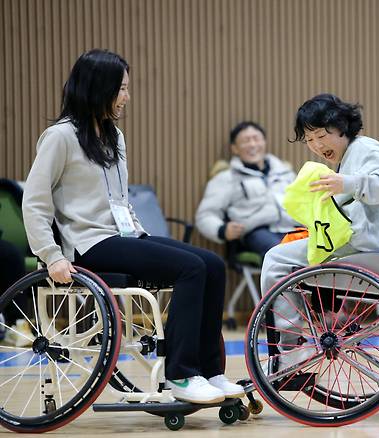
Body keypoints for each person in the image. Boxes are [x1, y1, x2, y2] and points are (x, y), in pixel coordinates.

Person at [21, 49, 244, 404]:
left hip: (123, 235)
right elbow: (34, 202)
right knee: (191, 268)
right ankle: (182, 376)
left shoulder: (114, 136)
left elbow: (119, 199)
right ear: (98, 88)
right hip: (88, 242)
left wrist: (141, 234)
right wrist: (50, 256)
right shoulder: (60, 137)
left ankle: (211, 371)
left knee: (213, 265)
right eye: (121, 89)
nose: (127, 96)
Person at [261, 93, 379, 366]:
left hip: (366, 247)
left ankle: (291, 347)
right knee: (287, 247)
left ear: (341, 126)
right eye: (310, 140)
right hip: (359, 243)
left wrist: (346, 183)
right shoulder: (348, 157)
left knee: (275, 259)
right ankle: (299, 336)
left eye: (321, 135)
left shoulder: (366, 149)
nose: (316, 145)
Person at [195, 121, 298, 258]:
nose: (252, 145)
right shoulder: (226, 178)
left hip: (292, 228)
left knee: (317, 248)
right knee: (281, 252)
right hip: (256, 233)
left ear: (264, 142)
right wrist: (222, 230)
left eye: (256, 139)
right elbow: (205, 215)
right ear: (235, 148)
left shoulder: (285, 172)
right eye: (245, 141)